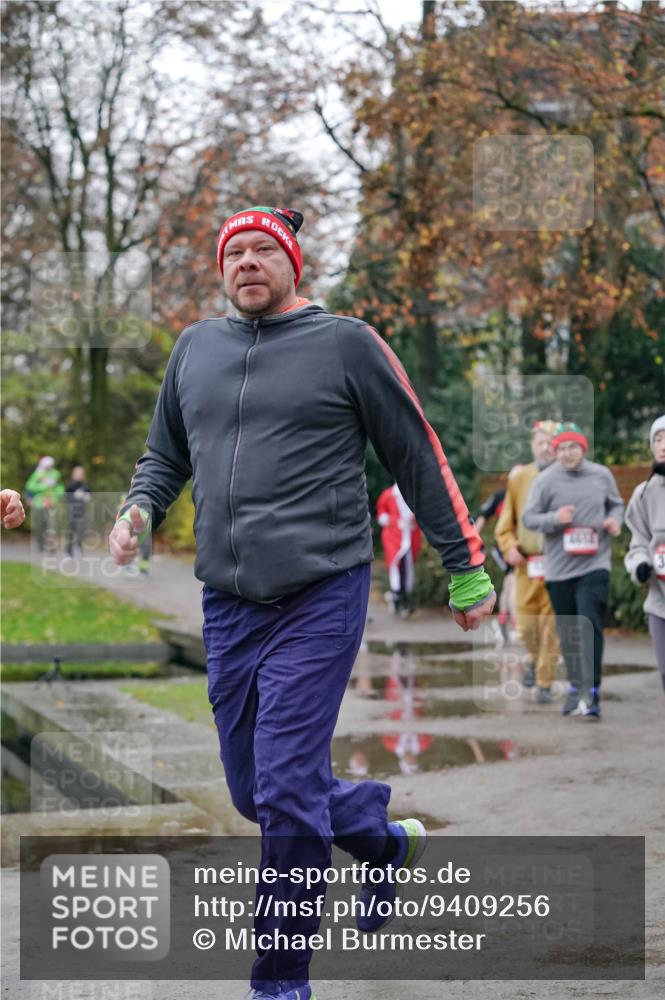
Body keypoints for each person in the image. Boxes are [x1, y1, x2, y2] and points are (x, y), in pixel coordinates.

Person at [108, 204, 495, 1000]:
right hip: (227, 601)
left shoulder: (344, 343)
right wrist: (138, 509)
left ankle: (278, 982)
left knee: (285, 787)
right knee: (256, 793)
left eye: (262, 250)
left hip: (321, 589)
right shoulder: (195, 349)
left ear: (291, 264)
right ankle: (382, 842)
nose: (246, 262)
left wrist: (464, 565)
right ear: (221, 271)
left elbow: (414, 450)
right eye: (234, 253)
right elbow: (165, 455)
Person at [523, 422, 624, 720]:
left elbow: (616, 505)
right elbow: (529, 518)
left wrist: (613, 521)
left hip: (595, 564)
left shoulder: (601, 475)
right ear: (555, 451)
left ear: (584, 448)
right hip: (560, 569)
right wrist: (556, 518)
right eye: (562, 448)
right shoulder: (546, 480)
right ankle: (574, 689)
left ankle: (592, 692)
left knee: (589, 622)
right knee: (569, 630)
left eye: (573, 447)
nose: (568, 453)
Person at [495, 421, 560, 703]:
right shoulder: (520, 480)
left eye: (551, 443)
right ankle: (536, 662)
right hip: (526, 566)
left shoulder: (569, 477)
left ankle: (545, 682)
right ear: (534, 446)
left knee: (551, 626)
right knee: (526, 625)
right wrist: (509, 547)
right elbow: (504, 526)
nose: (546, 448)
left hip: (559, 566)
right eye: (541, 442)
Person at [624, 415, 665, 690]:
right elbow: (638, 542)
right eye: (658, 439)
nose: (663, 445)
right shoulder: (643, 494)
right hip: (660, 604)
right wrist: (639, 564)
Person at [475, 486, 518, 644]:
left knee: (509, 583)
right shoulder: (500, 496)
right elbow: (483, 516)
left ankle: (503, 623)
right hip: (503, 547)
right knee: (514, 581)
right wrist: (473, 541)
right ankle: (516, 625)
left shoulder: (527, 494)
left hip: (518, 546)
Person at [376, 482, 422, 617]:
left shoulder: (413, 495)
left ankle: (402, 597)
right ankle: (399, 597)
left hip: (410, 536)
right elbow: (382, 512)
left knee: (407, 568)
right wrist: (392, 521)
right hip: (394, 538)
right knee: (397, 566)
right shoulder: (389, 494)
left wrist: (413, 522)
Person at [25, 456, 64, 551]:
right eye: (47, 466)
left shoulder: (56, 474)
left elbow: (60, 488)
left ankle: (51, 544)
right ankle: (40, 545)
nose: (49, 467)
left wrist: (58, 494)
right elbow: (30, 486)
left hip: (52, 503)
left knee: (51, 524)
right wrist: (43, 486)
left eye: (50, 465)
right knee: (39, 525)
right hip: (39, 503)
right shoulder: (37, 474)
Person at [64, 465, 91, 557]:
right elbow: (66, 498)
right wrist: (74, 497)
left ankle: (79, 548)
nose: (79, 475)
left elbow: (89, 497)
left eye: (80, 473)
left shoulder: (85, 485)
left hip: (82, 513)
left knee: (81, 532)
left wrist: (85, 497)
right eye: (77, 473)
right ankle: (69, 552)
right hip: (72, 513)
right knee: (71, 532)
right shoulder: (70, 486)